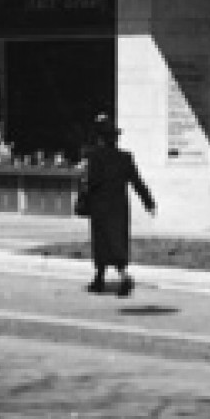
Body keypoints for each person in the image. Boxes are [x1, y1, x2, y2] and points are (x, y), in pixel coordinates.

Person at [76, 114, 155, 296]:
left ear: (100, 138)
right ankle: (122, 276)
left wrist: (84, 192)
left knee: (101, 242)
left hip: (99, 206)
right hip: (119, 207)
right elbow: (137, 182)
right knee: (118, 242)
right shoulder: (125, 158)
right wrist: (148, 202)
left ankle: (100, 279)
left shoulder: (94, 157)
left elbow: (91, 182)